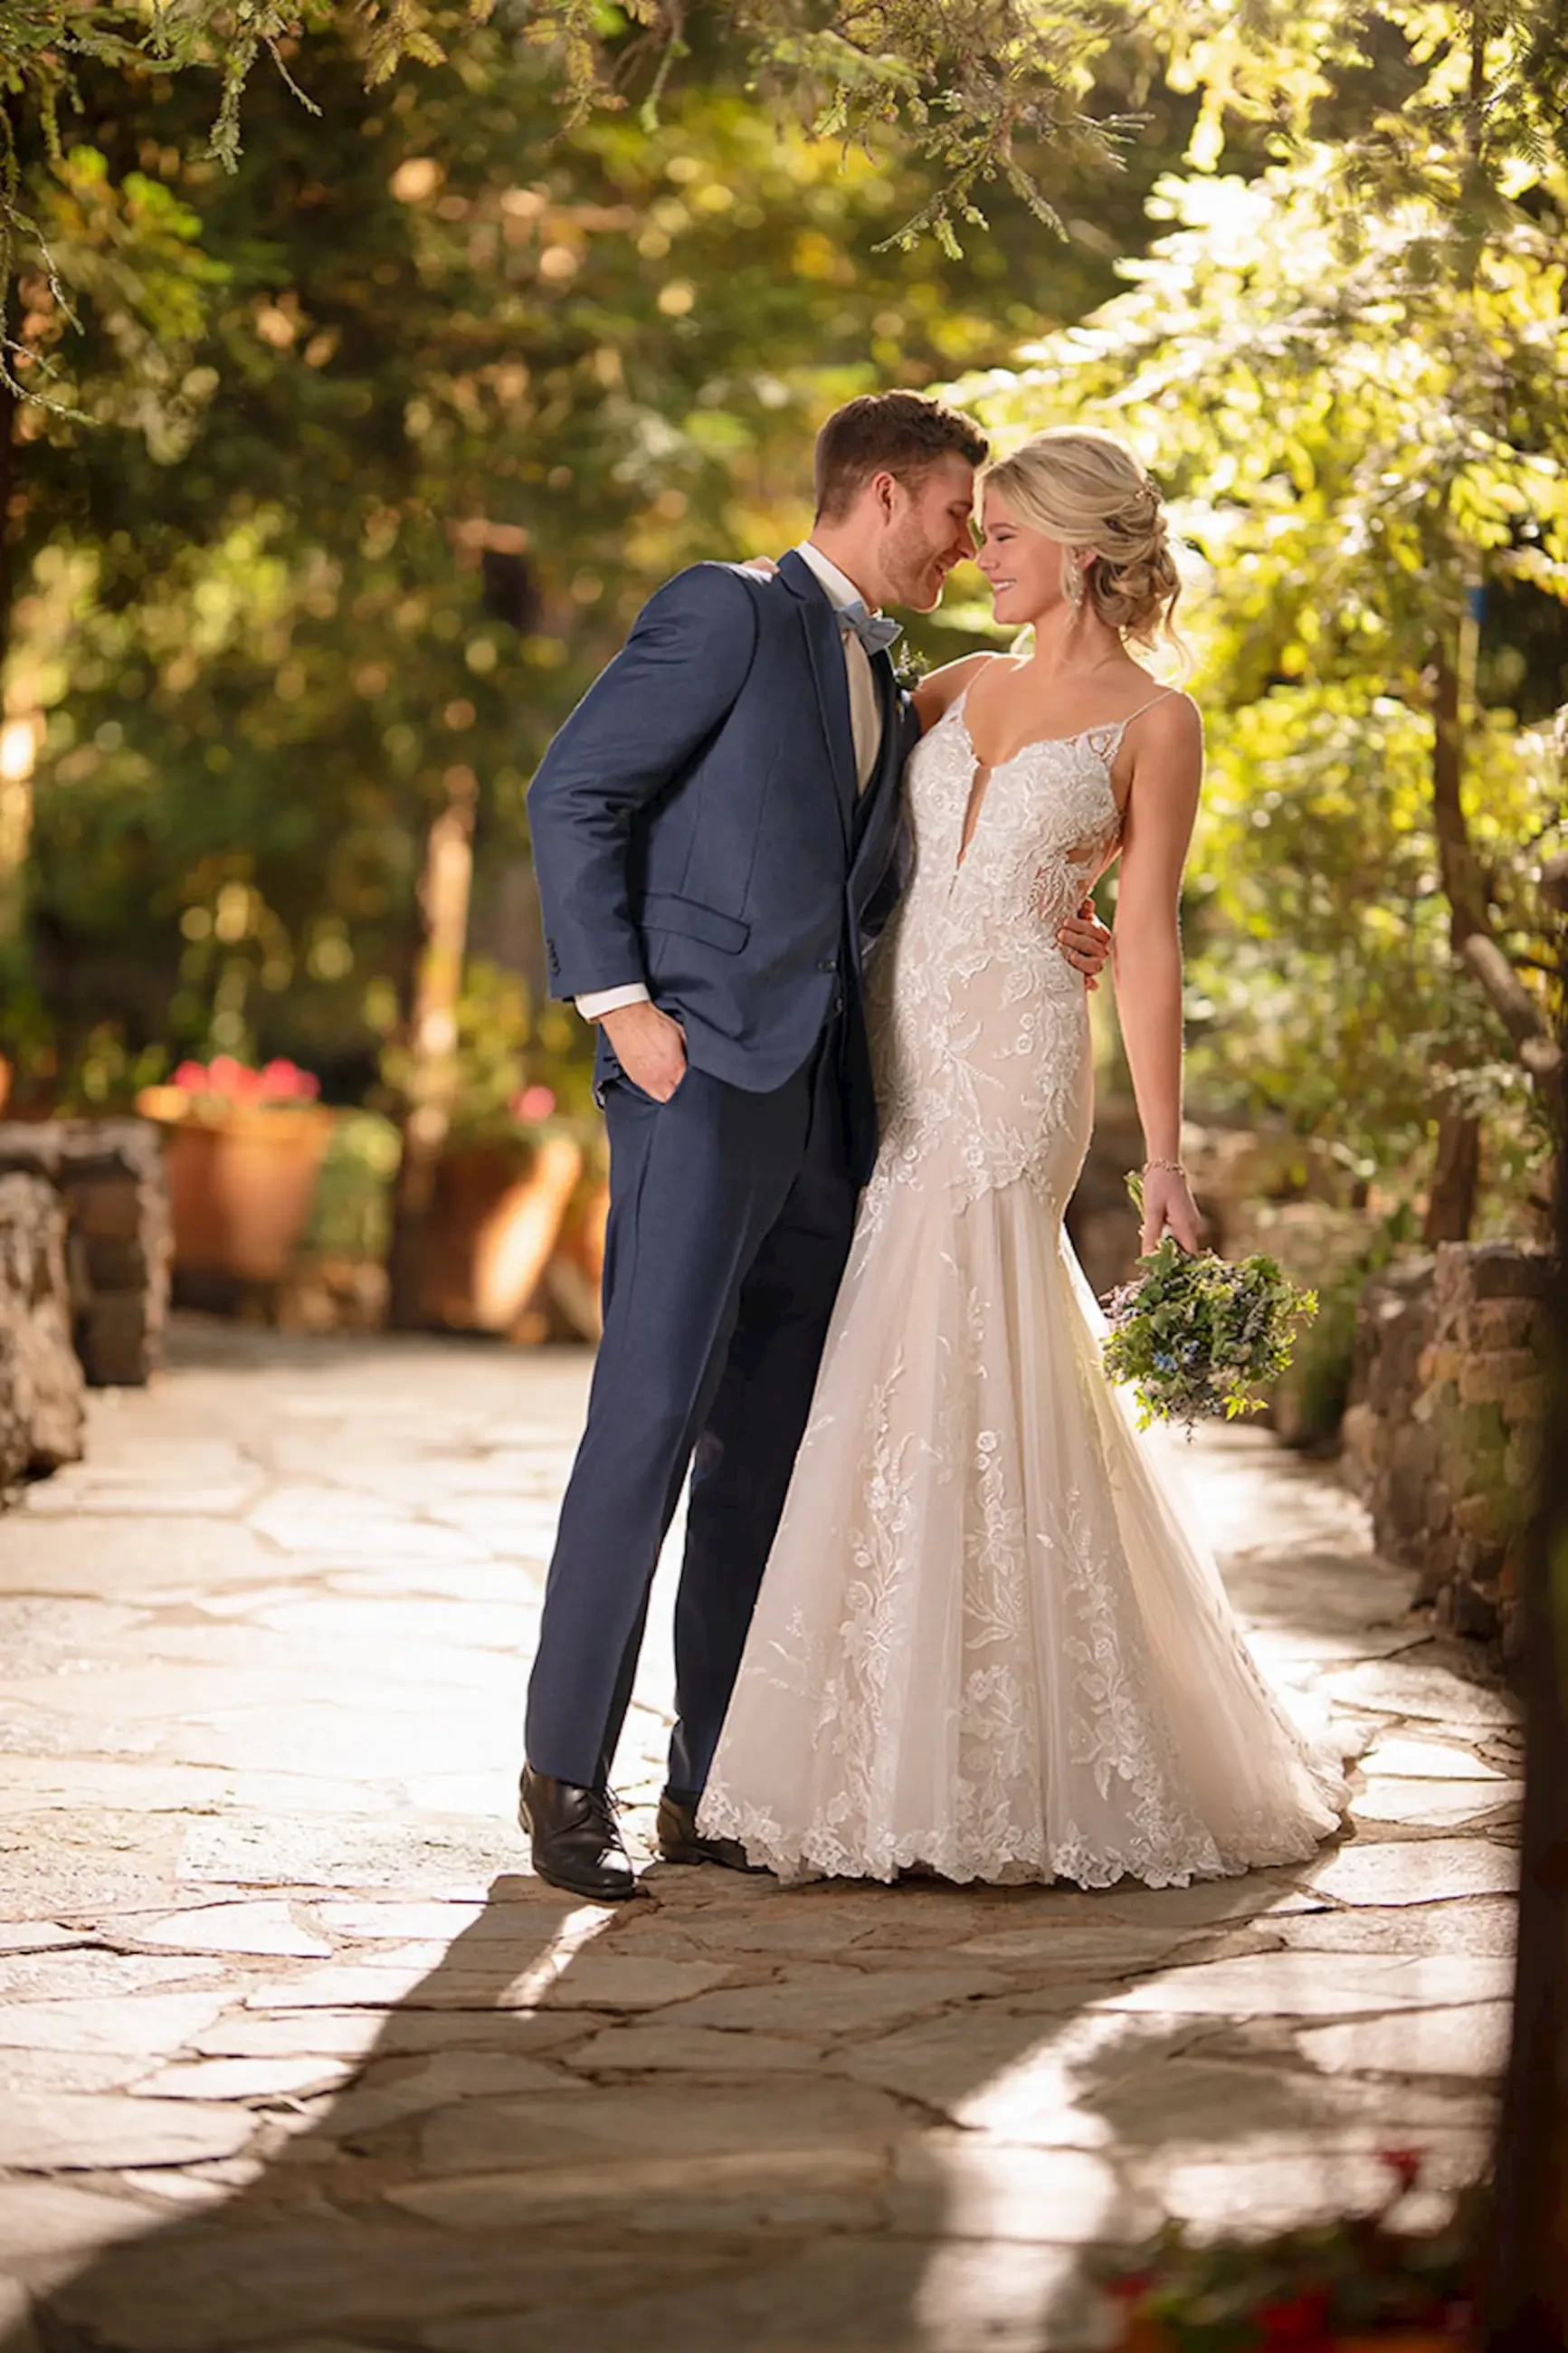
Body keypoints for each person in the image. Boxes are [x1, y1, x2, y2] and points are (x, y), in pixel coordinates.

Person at [699, 426, 1350, 1889]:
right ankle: (877, 1744)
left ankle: (987, 1760)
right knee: (893, 1356)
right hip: (895, 1052)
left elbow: (1155, 937)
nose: (973, 556)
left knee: (962, 1338)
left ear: (1082, 549)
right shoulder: (953, 685)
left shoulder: (1155, 720)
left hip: (1015, 1069)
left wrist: (1166, 1158)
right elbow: (834, 800)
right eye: (972, 529)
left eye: (1000, 535)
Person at [520, 394, 1115, 1900]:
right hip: (700, 1083)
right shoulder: (726, 614)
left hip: (838, 1114)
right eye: (955, 515)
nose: (966, 545)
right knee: (648, 1423)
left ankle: (706, 1784)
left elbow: (928, 868)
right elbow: (574, 790)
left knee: (761, 1458)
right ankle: (563, 1778)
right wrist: (623, 1010)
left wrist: (1060, 919)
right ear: (888, 491)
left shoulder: (893, 670)